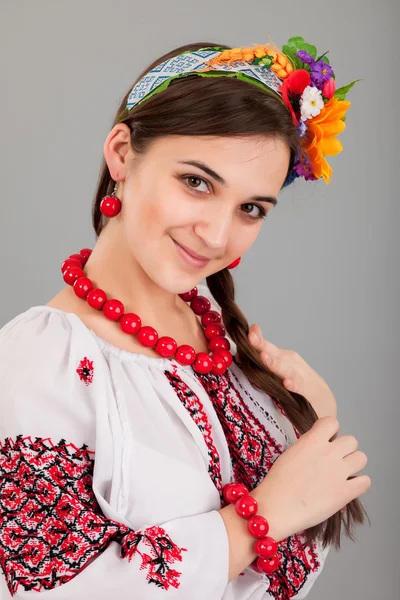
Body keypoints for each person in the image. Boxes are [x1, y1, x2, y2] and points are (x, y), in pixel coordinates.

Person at [0, 37, 371, 599]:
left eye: (250, 208)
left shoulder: (223, 335)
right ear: (122, 154)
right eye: (197, 182)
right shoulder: (37, 363)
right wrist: (258, 519)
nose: (218, 235)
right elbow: (45, 588)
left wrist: (314, 421)